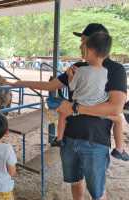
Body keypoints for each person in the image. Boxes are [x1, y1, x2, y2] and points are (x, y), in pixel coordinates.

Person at [8, 23, 127, 200]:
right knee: (75, 182)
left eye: (84, 40)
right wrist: (20, 83)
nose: (81, 44)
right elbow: (50, 85)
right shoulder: (77, 67)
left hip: (95, 141)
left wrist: (76, 108)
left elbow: (116, 107)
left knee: (97, 192)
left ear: (95, 42)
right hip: (69, 139)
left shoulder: (115, 70)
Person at [53, 32, 129, 162]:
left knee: (62, 112)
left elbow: (71, 88)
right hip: (98, 107)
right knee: (118, 119)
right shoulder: (107, 71)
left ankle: (59, 139)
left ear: (90, 51)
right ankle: (119, 149)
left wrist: (71, 77)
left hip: (80, 105)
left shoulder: (80, 69)